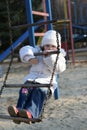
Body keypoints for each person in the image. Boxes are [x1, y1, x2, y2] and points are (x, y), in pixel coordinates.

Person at [8, 30, 66, 124]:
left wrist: (49, 57)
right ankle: (18, 112)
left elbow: (60, 68)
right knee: (24, 91)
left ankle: (30, 114)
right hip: (31, 79)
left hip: (45, 83)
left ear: (57, 47)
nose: (49, 48)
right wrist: (30, 58)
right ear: (43, 45)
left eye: (52, 46)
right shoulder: (38, 51)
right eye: (47, 45)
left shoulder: (59, 56)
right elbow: (25, 49)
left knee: (37, 93)